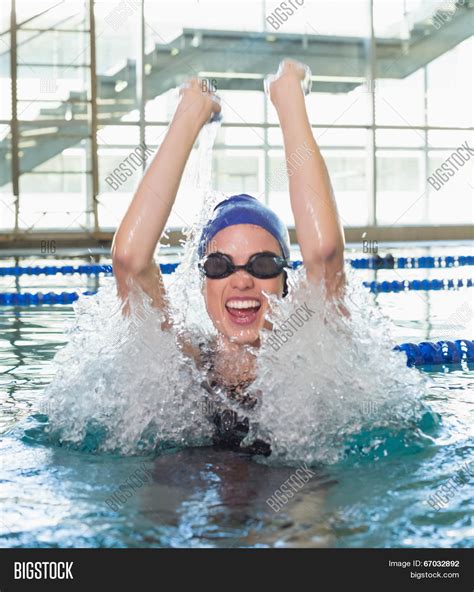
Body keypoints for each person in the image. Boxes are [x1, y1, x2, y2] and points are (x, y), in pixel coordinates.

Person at [111, 59, 345, 455]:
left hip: (292, 500)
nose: (241, 280)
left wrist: (289, 99)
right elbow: (131, 262)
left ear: (285, 281)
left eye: (263, 265)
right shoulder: (186, 359)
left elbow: (323, 253)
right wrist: (189, 116)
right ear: (203, 282)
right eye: (219, 266)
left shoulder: (308, 346)